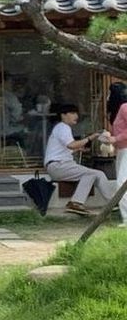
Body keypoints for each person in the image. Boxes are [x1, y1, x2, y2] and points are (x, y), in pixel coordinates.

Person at [44, 103, 111, 215]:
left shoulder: (61, 128)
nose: (76, 116)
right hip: (58, 166)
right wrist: (91, 137)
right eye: (73, 113)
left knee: (99, 174)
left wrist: (79, 149)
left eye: (76, 113)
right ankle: (75, 203)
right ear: (63, 115)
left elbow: (68, 149)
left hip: (59, 166)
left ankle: (112, 202)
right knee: (92, 174)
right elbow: (71, 145)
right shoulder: (63, 127)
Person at [106, 82, 127, 224]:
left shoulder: (125, 107)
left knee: (122, 183)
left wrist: (115, 138)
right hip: (122, 149)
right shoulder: (120, 109)